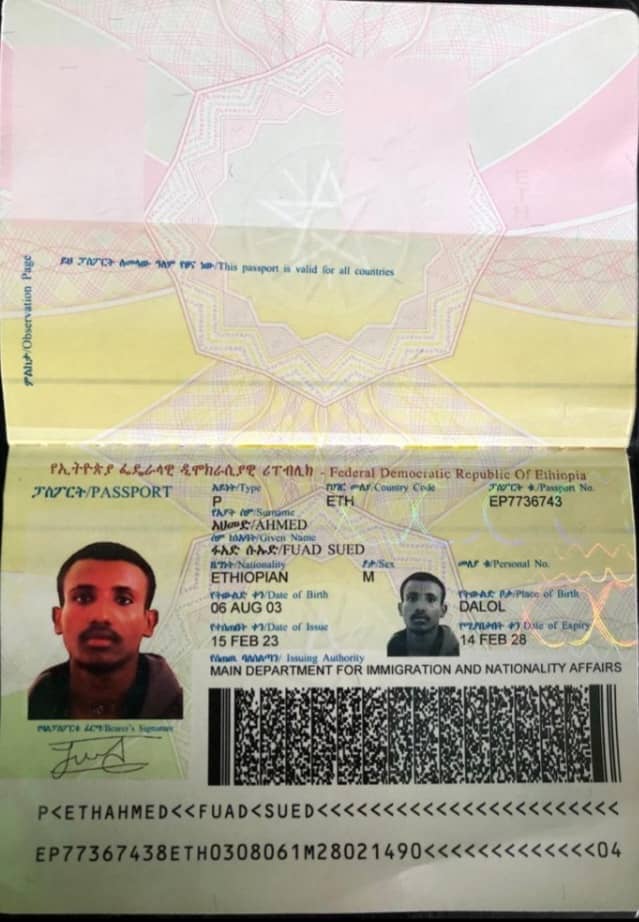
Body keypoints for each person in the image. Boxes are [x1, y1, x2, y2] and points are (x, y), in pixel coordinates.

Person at [28, 542, 183, 719]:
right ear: (58, 619)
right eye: (83, 598)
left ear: (149, 622)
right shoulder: (18, 710)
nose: (101, 616)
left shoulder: (192, 715)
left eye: (123, 600)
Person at [387, 571, 459, 657]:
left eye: (431, 600)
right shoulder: (388, 650)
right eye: (412, 598)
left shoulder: (462, 652)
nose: (420, 607)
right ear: (400, 608)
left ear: (443, 610)